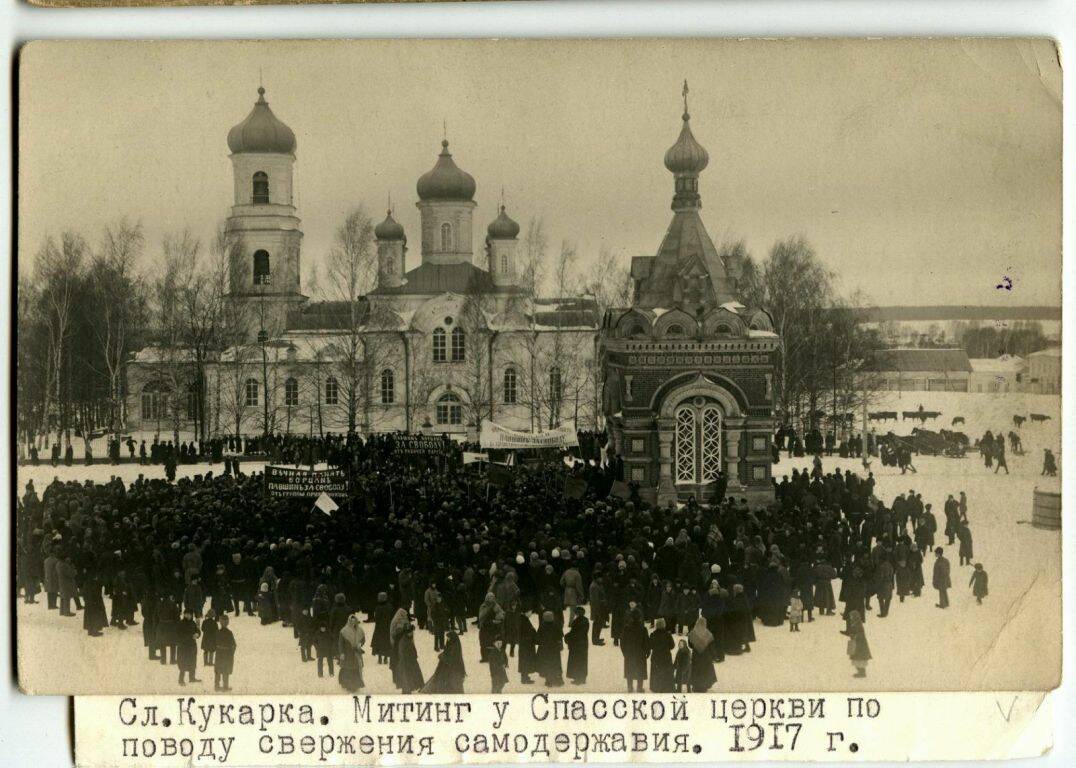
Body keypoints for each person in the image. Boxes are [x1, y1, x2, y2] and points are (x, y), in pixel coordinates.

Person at [621, 601, 649, 692]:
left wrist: (625, 652)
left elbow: (622, 642)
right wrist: (647, 652)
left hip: (629, 653)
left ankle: (630, 687)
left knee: (629, 670)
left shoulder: (626, 628)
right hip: (640, 654)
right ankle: (639, 688)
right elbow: (646, 642)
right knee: (640, 671)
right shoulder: (643, 629)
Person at [688, 616, 717, 693]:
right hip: (706, 657)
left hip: (696, 656)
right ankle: (703, 687)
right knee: (704, 671)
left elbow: (690, 645)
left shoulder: (692, 633)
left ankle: (695, 686)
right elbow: (712, 647)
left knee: (696, 671)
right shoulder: (708, 634)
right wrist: (713, 656)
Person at [338, 613, 365, 693]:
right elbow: (340, 643)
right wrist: (342, 653)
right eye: (351, 621)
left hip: (356, 653)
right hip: (347, 654)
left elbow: (363, 639)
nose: (353, 623)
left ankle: (355, 685)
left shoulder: (360, 630)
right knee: (347, 669)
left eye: (354, 621)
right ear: (349, 621)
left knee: (356, 669)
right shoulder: (344, 631)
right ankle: (347, 685)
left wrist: (360, 643)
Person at [536, 611, 564, 687]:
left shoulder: (542, 626)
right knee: (556, 663)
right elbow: (560, 635)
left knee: (547, 664)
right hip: (555, 649)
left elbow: (537, 638)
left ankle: (549, 681)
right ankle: (558, 679)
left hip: (545, 649)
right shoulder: (556, 625)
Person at [394, 624, 425, 694]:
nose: (412, 634)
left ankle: (411, 688)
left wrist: (414, 655)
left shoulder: (408, 638)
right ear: (407, 632)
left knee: (413, 675)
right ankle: (407, 690)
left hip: (411, 660)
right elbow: (402, 652)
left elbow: (412, 648)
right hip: (406, 662)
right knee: (407, 677)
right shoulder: (403, 641)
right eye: (410, 632)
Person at [647, 618, 675, 693]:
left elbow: (650, 645)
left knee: (656, 672)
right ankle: (666, 687)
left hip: (656, 657)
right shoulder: (668, 635)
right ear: (664, 625)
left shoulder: (653, 634)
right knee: (666, 672)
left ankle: (656, 687)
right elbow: (672, 646)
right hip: (666, 657)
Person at [564, 606, 589, 685]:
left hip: (576, 644)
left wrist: (567, 637)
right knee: (583, 661)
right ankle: (582, 678)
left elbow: (574, 633)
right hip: (583, 643)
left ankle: (577, 678)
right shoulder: (585, 620)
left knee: (576, 661)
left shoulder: (576, 621)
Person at [176, 608, 201, 685]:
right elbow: (179, 635)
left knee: (192, 662)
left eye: (189, 614)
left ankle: (192, 678)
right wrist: (191, 636)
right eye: (186, 614)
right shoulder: (180, 623)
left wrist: (197, 634)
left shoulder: (192, 622)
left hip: (192, 647)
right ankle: (181, 680)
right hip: (183, 647)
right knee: (183, 663)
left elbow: (197, 631)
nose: (187, 615)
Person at [845, 610, 871, 678]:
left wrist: (853, 636)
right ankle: (861, 672)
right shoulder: (855, 623)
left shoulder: (857, 624)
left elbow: (859, 634)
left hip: (859, 645)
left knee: (859, 659)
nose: (851, 618)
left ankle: (862, 673)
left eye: (851, 616)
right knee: (857, 659)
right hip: (857, 644)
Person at [214, 614, 236, 691]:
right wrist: (232, 653)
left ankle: (216, 686)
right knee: (225, 671)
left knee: (218, 670)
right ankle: (225, 686)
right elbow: (233, 645)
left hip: (219, 654)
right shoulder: (229, 633)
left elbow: (214, 643)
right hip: (227, 654)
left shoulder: (217, 632)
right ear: (227, 623)